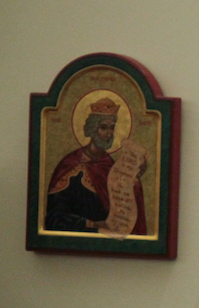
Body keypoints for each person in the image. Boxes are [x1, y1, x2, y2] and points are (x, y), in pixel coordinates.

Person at [45, 97, 147, 234]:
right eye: (103, 127)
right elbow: (54, 218)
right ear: (92, 129)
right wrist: (92, 224)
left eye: (112, 128)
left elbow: (122, 208)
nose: (109, 134)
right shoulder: (71, 166)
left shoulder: (110, 166)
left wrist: (135, 177)